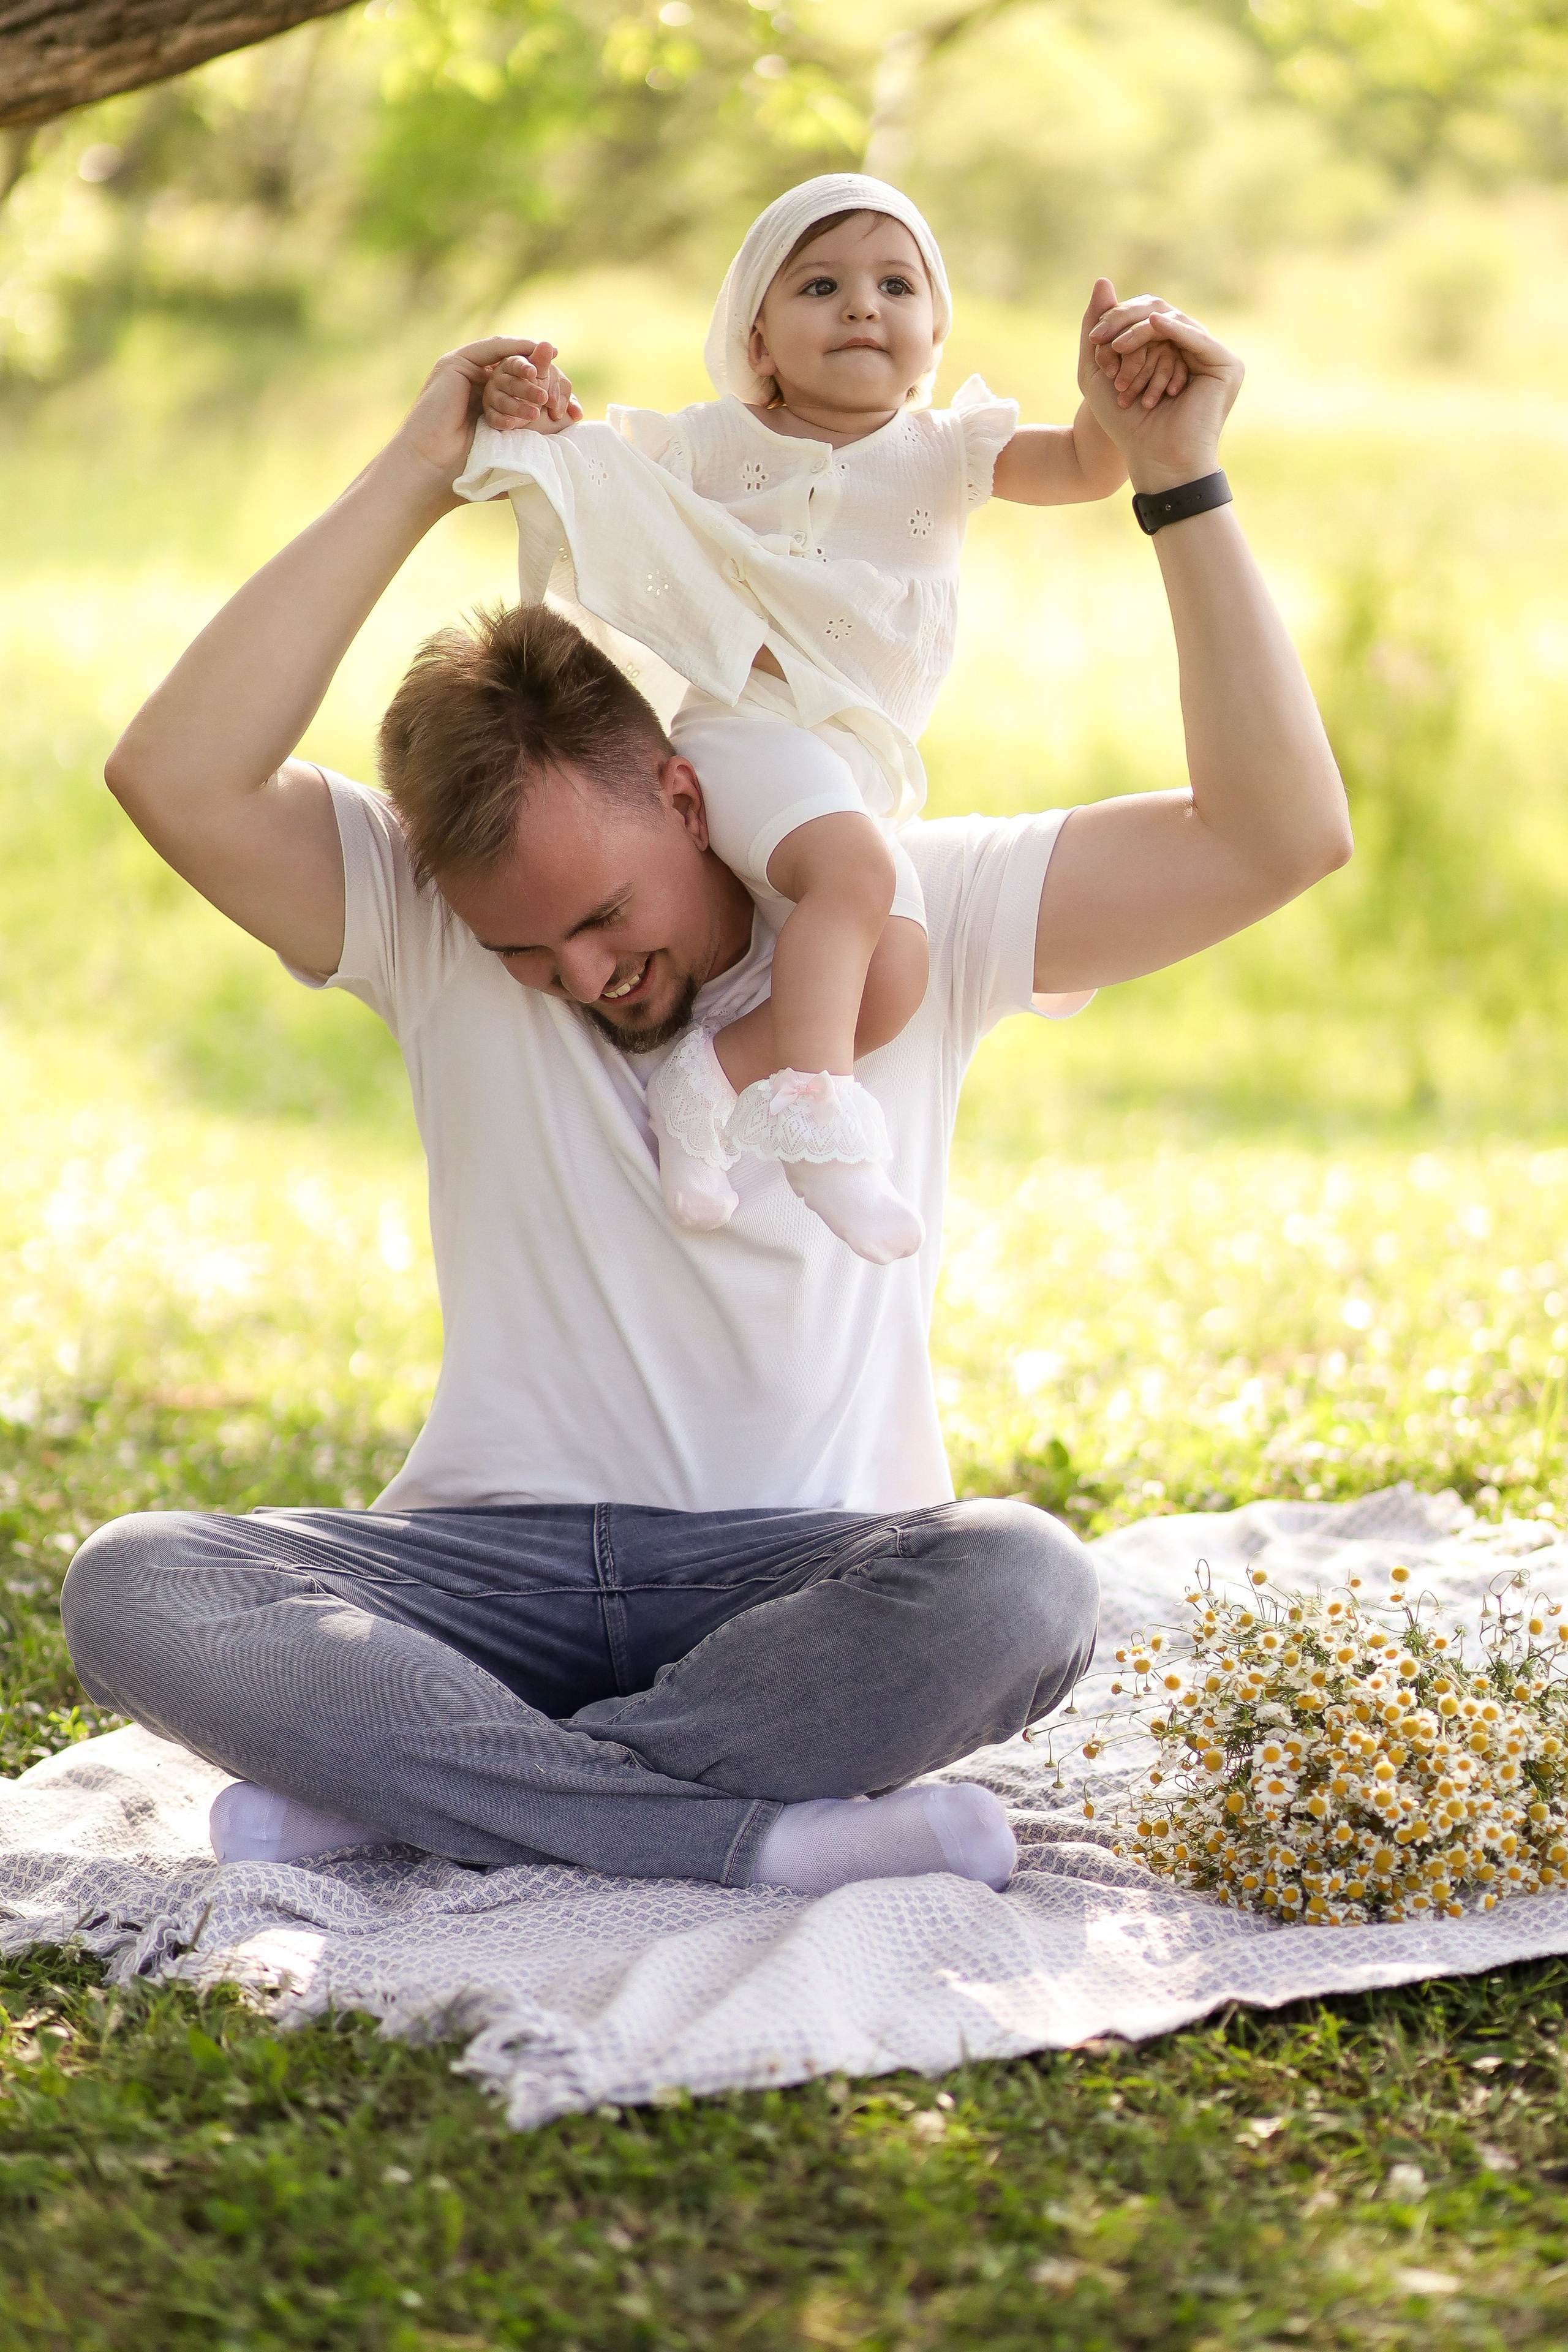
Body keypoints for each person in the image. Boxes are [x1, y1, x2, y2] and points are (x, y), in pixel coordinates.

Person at [58, 279, 1349, 1901]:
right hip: (483, 1572)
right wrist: (415, 470)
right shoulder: (429, 916)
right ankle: (750, 1832)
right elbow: (171, 773)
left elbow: (1277, 836)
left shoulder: (913, 905)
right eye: (530, 956)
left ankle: (425, 1791)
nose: (585, 978)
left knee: (1023, 1583)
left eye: (604, 918)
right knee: (139, 1584)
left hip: (803, 1580)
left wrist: (1176, 478)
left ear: (681, 789)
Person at [461, 174, 1186, 1264]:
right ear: (756, 331)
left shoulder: (949, 452)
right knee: (854, 880)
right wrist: (538, 417)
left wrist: (1107, 395)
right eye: (821, 285)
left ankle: (710, 1084)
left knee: (892, 975)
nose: (862, 307)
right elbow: (595, 481)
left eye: (897, 285)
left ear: (934, 328)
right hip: (744, 730)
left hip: (848, 764)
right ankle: (824, 1127)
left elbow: (1090, 465)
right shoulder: (713, 442)